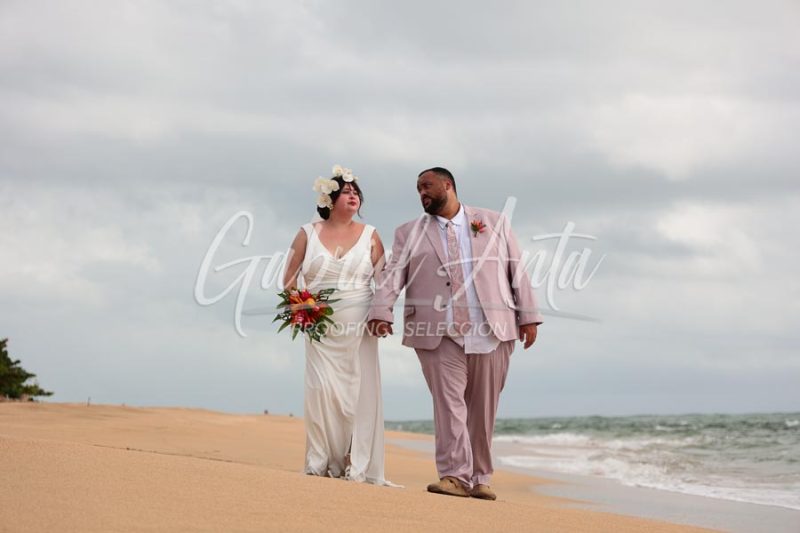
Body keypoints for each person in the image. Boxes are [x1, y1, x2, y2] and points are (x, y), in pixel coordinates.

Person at [367, 167, 543, 500]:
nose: (422, 193)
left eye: (427, 186)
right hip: (437, 331)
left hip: (491, 329)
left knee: (482, 410)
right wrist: (381, 311)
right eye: (418, 189)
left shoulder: (494, 222)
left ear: (448, 185)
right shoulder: (408, 232)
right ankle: (453, 476)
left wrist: (529, 316)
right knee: (449, 406)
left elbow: (516, 269)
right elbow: (393, 275)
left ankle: (481, 477)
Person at [283, 166, 395, 486]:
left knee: (358, 392)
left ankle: (352, 458)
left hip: (360, 326)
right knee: (322, 391)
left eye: (356, 192)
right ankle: (320, 458)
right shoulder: (307, 233)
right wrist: (302, 308)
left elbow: (384, 281)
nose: (353, 195)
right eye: (346, 191)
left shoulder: (371, 234)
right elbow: (289, 278)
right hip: (320, 327)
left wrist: (383, 314)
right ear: (329, 200)